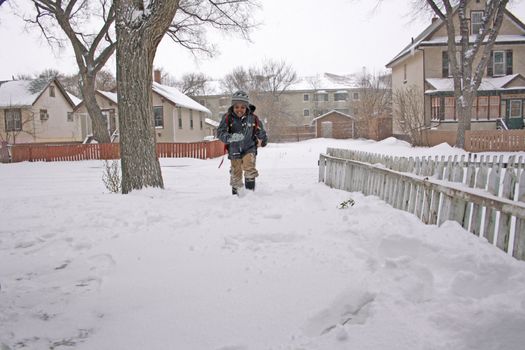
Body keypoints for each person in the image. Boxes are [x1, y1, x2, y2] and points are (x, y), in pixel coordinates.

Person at [217, 90, 268, 195]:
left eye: (242, 107)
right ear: (232, 107)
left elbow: (260, 130)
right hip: (234, 150)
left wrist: (263, 140)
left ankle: (250, 194)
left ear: (247, 107)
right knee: (236, 173)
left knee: (249, 168)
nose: (239, 110)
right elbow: (220, 133)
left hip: (249, 148)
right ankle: (237, 196)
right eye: (236, 107)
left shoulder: (253, 118)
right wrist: (230, 137)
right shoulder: (227, 118)